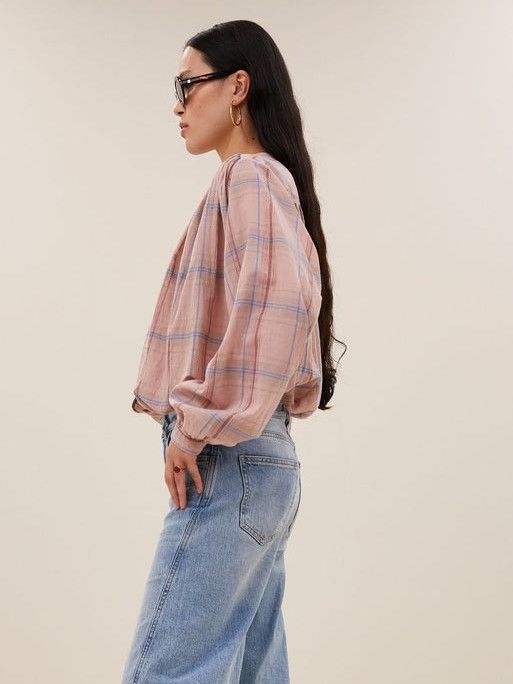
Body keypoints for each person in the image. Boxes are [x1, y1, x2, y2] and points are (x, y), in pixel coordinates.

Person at [120, 19, 344, 684]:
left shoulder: (248, 176)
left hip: (230, 461)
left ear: (237, 87)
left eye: (187, 85)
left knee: (165, 672)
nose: (178, 105)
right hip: (257, 465)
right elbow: (284, 298)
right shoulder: (268, 183)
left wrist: (198, 423)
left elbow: (279, 298)